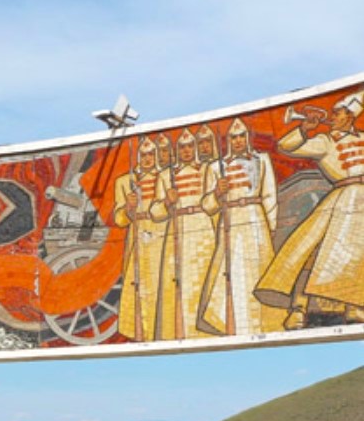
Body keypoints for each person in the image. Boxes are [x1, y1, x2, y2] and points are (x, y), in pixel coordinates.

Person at [256, 93, 364, 327]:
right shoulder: (326, 141)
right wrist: (305, 129)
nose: (332, 117)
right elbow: (287, 147)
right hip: (342, 197)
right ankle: (298, 308)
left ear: (350, 116)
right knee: (310, 251)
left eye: (337, 113)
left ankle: (354, 306)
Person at [198, 119, 282, 336]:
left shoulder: (262, 160)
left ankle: (265, 323)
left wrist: (271, 225)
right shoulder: (216, 167)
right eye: (233, 137)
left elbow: (269, 195)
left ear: (248, 138)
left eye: (241, 136)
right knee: (231, 273)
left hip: (256, 219)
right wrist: (217, 192)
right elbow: (207, 206)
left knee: (259, 270)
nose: (237, 141)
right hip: (231, 219)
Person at [150, 130, 216, 339]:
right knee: (175, 283)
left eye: (190, 146)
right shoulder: (165, 176)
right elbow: (155, 212)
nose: (186, 151)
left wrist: (217, 195)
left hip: (202, 228)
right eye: (182, 147)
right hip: (176, 227)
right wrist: (167, 202)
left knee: (203, 279)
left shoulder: (207, 170)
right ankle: (175, 332)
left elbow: (212, 206)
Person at [112, 137, 167, 341]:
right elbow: (119, 219)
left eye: (151, 154)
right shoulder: (124, 182)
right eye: (143, 155)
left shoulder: (165, 177)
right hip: (137, 233)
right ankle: (139, 331)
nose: (147, 159)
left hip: (162, 233)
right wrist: (128, 207)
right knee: (137, 284)